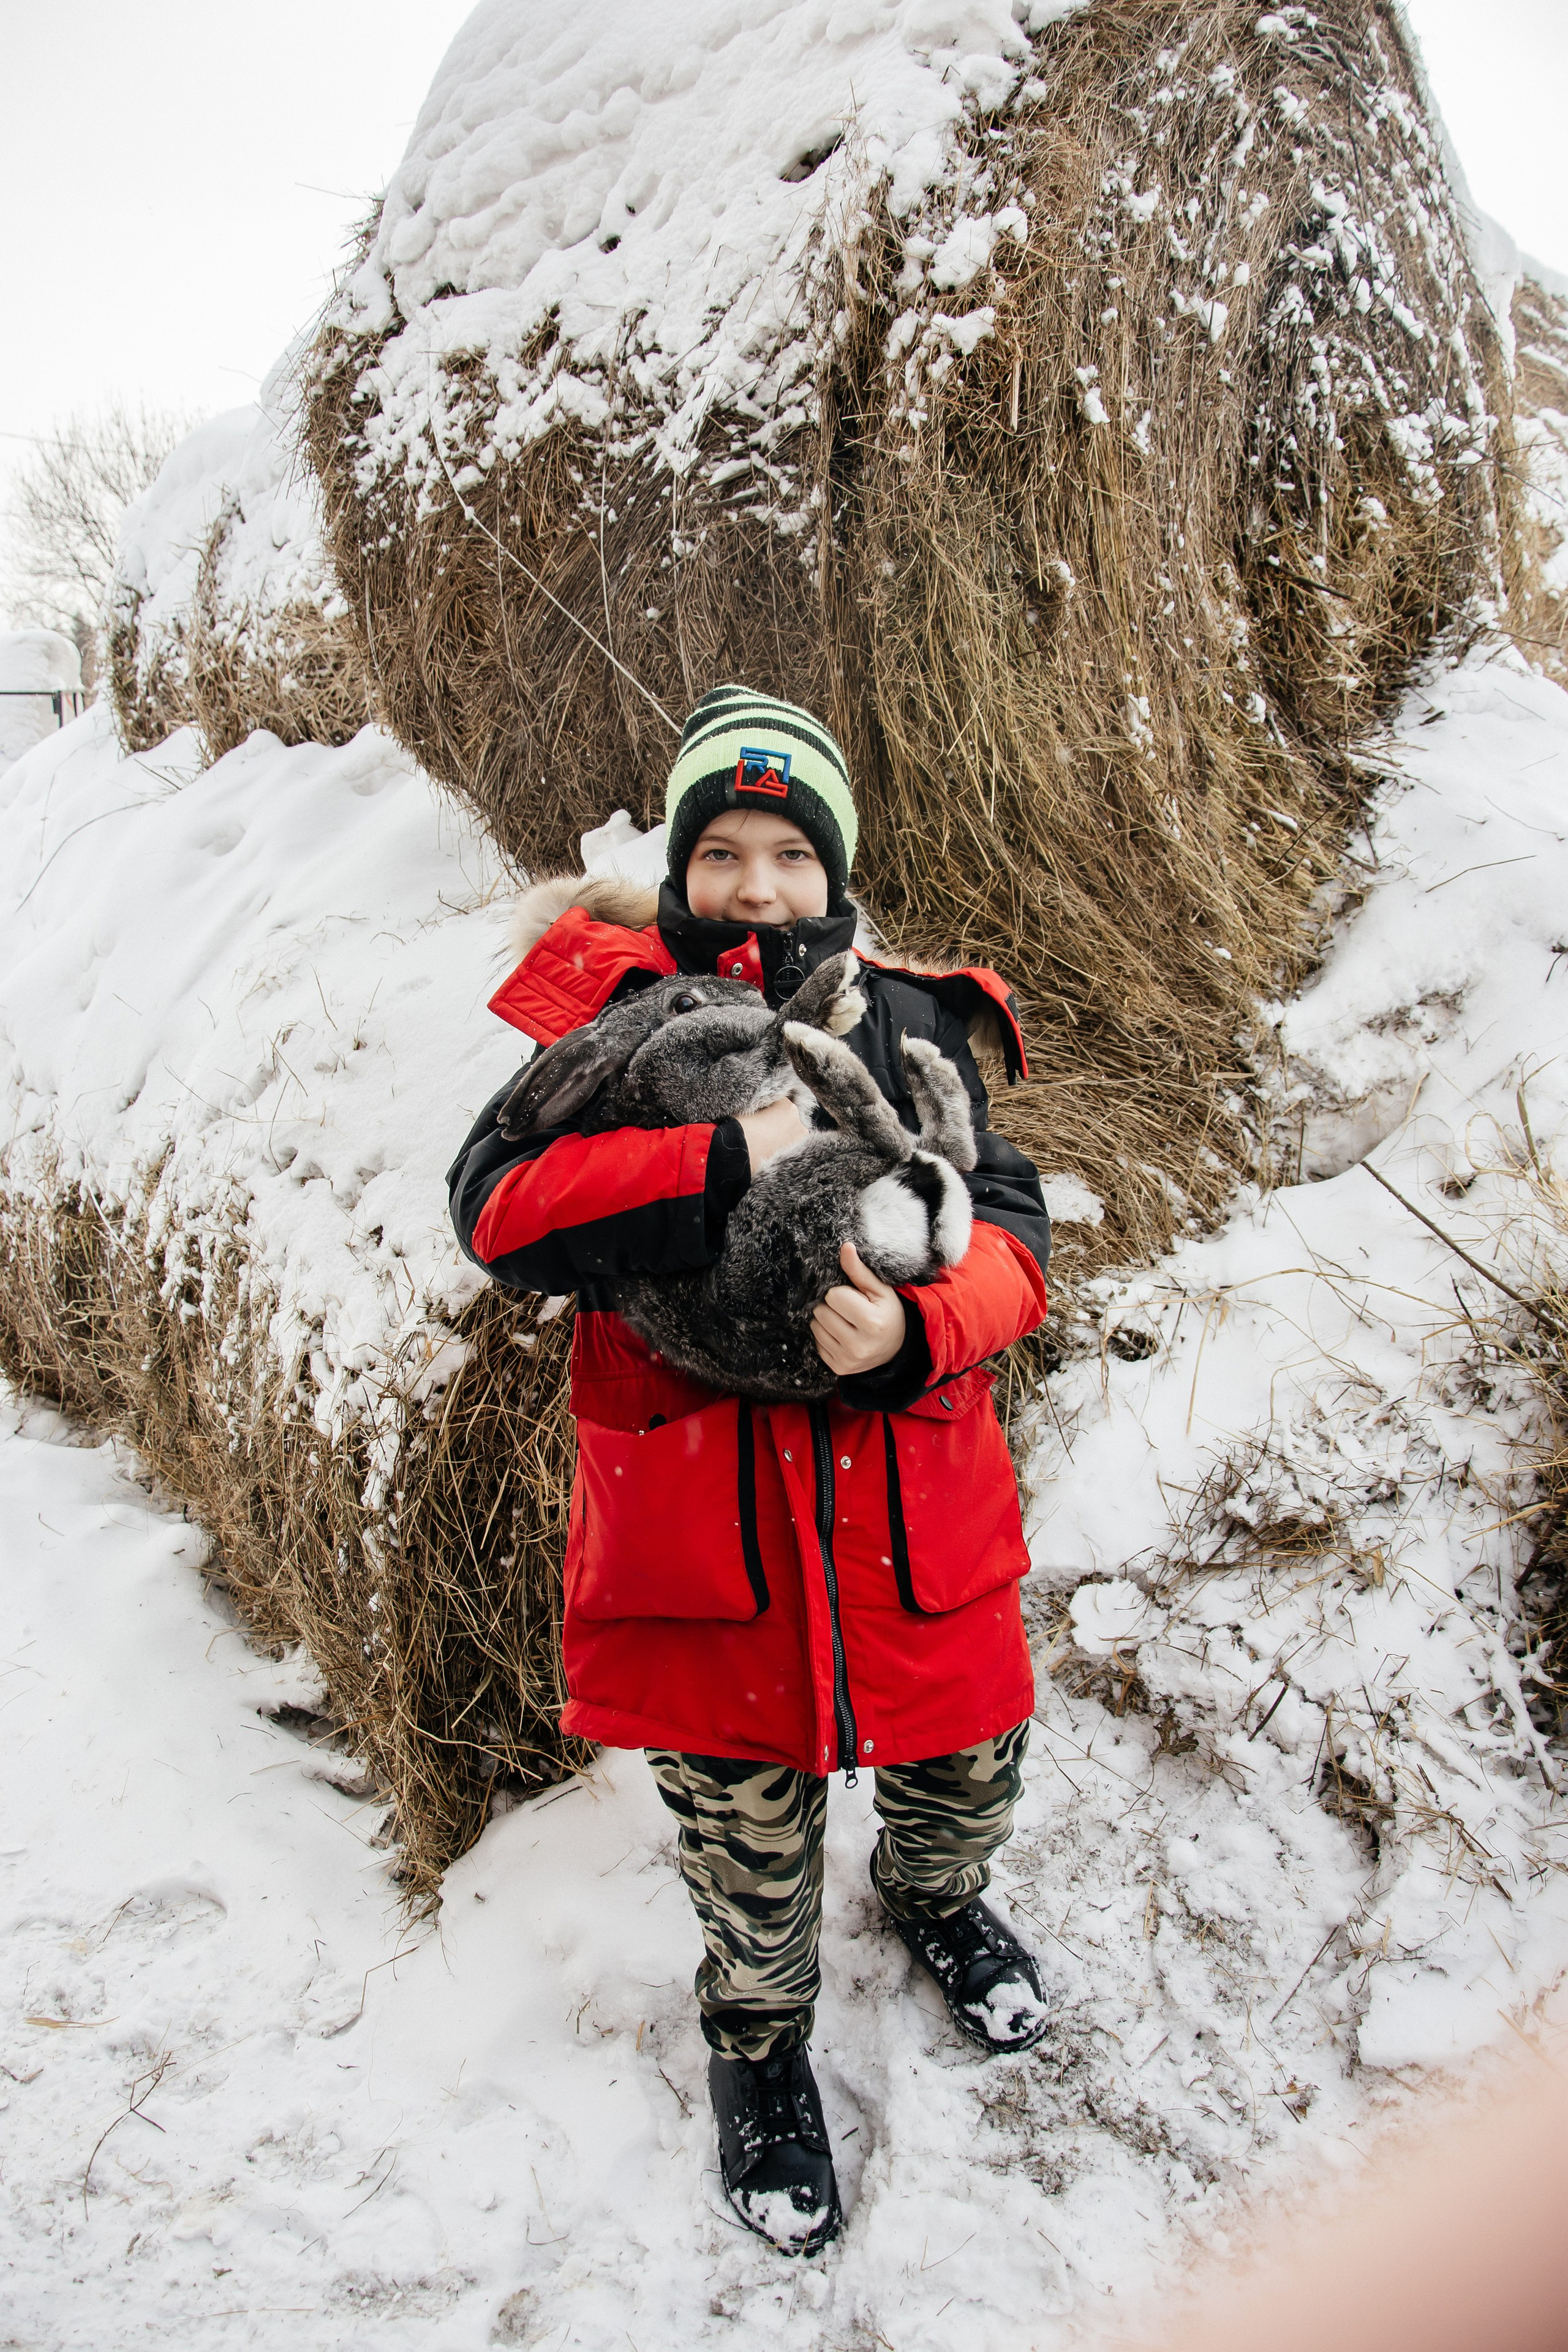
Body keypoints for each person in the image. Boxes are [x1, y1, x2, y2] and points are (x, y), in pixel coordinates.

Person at [448, 685, 1054, 2255]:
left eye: (790, 852)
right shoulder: (611, 1029)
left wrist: (919, 1336)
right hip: (706, 1528)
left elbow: (1016, 1243)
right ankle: (759, 2040)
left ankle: (933, 1899)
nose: (758, 887)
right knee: (743, 1827)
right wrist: (728, 1157)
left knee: (963, 1769)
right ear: (680, 864)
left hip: (912, 1504)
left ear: (832, 868)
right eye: (722, 851)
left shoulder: (913, 1021)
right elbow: (498, 1212)